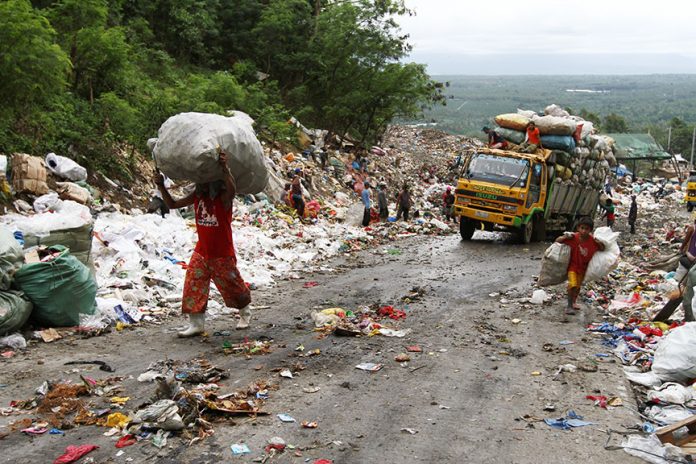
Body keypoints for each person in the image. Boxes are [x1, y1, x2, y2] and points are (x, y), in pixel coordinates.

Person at [155, 152, 252, 336]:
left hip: (222, 252)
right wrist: (161, 186)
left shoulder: (223, 199)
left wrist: (224, 169)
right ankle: (196, 324)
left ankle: (245, 312)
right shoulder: (198, 197)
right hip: (202, 251)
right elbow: (173, 204)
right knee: (193, 283)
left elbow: (231, 190)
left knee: (232, 286)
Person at [555, 216, 605, 315]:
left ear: (590, 230)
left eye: (587, 229)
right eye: (582, 228)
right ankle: (569, 306)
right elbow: (558, 241)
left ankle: (573, 302)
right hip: (573, 266)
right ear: (578, 228)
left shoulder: (592, 241)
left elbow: (602, 249)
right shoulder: (574, 237)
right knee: (572, 285)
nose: (583, 231)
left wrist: (599, 243)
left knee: (577, 286)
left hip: (583, 268)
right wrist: (565, 237)